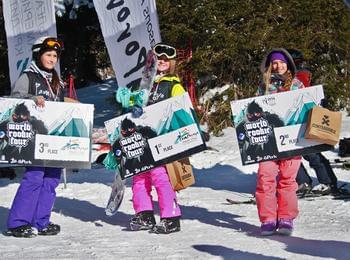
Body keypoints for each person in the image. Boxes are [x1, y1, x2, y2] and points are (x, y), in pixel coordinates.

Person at [116, 43, 184, 234]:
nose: (161, 61)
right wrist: (127, 101)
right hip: (141, 139)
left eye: (166, 59)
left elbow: (182, 109)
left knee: (160, 177)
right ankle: (144, 214)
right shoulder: (145, 83)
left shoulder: (173, 85)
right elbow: (133, 105)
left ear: (171, 63)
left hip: (161, 139)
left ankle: (170, 216)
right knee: (139, 176)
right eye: (158, 58)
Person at [6, 36, 64, 238]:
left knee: (51, 179)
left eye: (55, 55)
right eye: (48, 54)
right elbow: (13, 101)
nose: (52, 59)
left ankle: (41, 221)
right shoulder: (28, 77)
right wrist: (32, 99)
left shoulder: (57, 81)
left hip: (54, 138)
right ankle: (18, 222)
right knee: (35, 177)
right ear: (39, 55)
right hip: (34, 139)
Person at [255, 48, 305, 236]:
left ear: (288, 64)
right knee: (265, 177)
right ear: (270, 66)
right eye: (274, 63)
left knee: (287, 179)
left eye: (282, 62)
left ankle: (286, 218)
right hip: (267, 140)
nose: (278, 66)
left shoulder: (297, 85)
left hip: (292, 139)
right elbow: (253, 111)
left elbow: (305, 108)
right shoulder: (264, 86)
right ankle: (268, 219)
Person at [287, 49, 340, 196]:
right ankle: (304, 182)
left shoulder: (301, 75)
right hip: (290, 121)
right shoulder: (285, 77)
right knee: (291, 154)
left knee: (312, 153)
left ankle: (327, 181)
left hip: (304, 119)